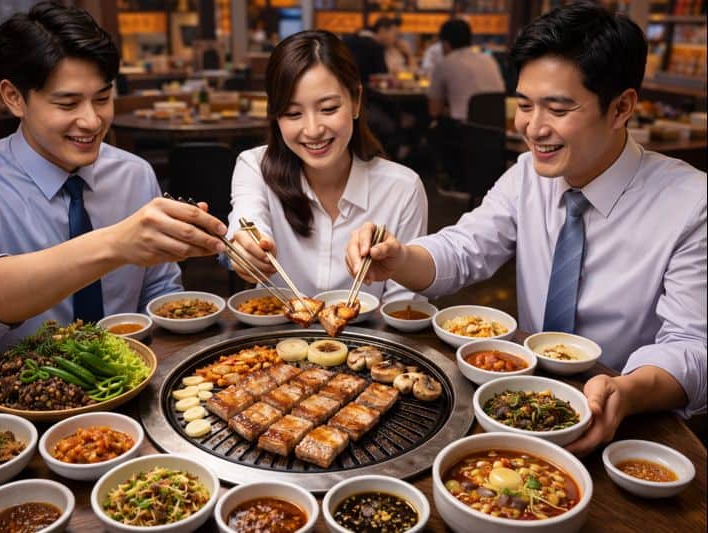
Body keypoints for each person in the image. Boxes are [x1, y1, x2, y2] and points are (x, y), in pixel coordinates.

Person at [346, 3, 706, 455]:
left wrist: (627, 391)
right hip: (524, 401)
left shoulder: (692, 203)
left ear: (621, 108)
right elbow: (465, 248)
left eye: (557, 108)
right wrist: (399, 258)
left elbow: (693, 346)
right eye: (523, 105)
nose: (533, 128)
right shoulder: (526, 175)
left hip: (634, 428)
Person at [0, 2, 227, 379]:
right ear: (13, 97)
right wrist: (113, 245)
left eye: (102, 99)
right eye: (67, 103)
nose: (92, 121)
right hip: (13, 396)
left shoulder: (133, 174)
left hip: (129, 384)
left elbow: (160, 294)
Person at [226, 30, 428, 303]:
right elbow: (247, 221)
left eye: (329, 108)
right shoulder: (254, 167)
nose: (313, 130)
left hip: (371, 332)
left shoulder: (402, 189)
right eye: (293, 113)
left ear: (356, 101)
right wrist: (245, 247)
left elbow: (403, 306)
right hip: (275, 330)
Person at [427, 18, 504, 121]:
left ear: (445, 43)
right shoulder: (488, 59)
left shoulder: (445, 64)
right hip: (497, 124)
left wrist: (451, 110)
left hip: (465, 126)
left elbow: (434, 110)